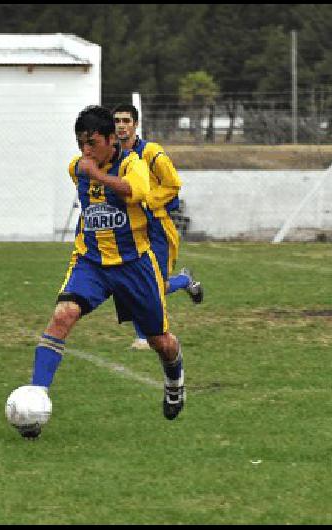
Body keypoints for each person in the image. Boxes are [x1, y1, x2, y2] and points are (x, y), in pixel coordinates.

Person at [19, 105, 186, 439]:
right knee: (62, 316)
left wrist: (96, 174)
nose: (85, 151)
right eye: (80, 143)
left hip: (134, 265)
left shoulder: (132, 163)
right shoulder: (77, 168)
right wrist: (89, 170)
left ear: (112, 140)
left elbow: (134, 191)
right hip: (91, 263)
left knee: (160, 341)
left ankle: (174, 380)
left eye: (91, 143)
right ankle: (35, 398)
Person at [112, 104, 203, 350]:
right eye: (117, 120)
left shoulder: (151, 152)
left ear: (135, 124)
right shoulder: (114, 157)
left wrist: (148, 201)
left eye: (126, 120)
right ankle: (143, 335)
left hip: (156, 226)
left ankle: (183, 282)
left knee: (155, 284)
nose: (121, 125)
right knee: (132, 281)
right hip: (129, 228)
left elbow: (173, 184)